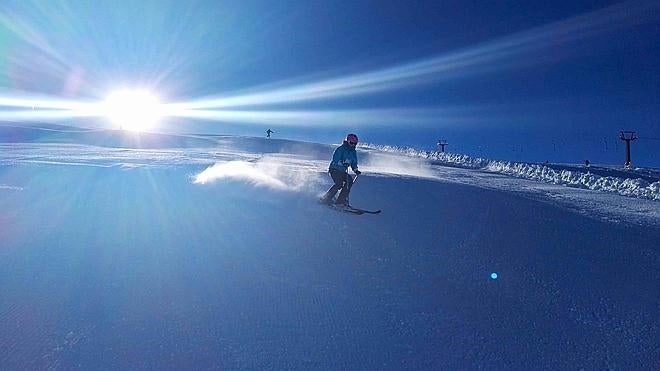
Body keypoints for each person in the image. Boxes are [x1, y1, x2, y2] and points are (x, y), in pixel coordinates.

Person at [320, 133, 361, 207]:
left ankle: (340, 201)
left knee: (349, 181)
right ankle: (326, 198)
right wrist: (341, 162)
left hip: (342, 171)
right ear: (348, 141)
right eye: (351, 143)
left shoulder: (353, 152)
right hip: (334, 169)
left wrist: (355, 170)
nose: (353, 145)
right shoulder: (341, 149)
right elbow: (335, 158)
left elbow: (354, 163)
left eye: (355, 143)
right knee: (339, 183)